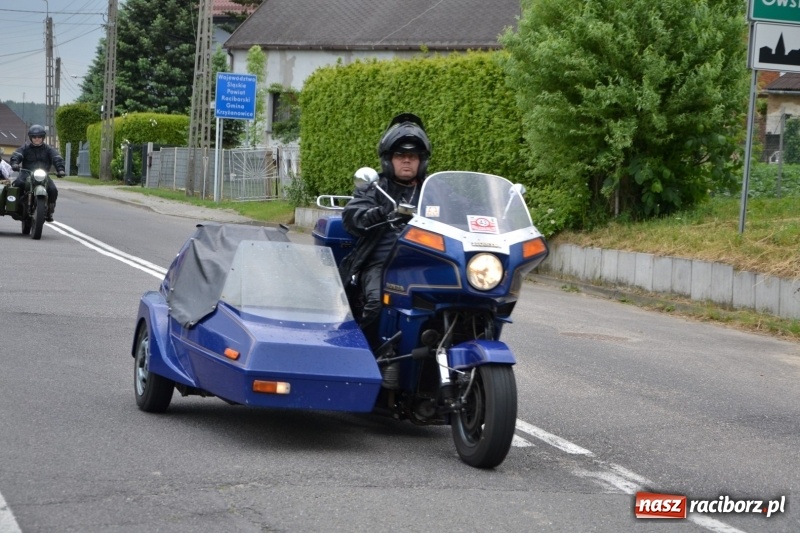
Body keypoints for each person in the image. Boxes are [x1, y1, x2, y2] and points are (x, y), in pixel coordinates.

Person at [340, 113, 432, 348]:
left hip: (429, 260)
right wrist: (375, 213)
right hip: (382, 262)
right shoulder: (375, 187)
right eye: (400, 155)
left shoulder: (432, 191)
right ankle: (364, 355)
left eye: (412, 156)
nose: (407, 161)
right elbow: (352, 215)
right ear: (388, 159)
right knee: (375, 303)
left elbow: (459, 212)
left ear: (422, 161)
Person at [10, 124, 65, 222]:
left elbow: (57, 158)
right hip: (26, 173)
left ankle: (50, 210)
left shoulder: (48, 149)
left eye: (39, 137)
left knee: (53, 189)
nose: (37, 139)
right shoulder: (25, 148)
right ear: (31, 138)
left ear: (43, 138)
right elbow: (17, 155)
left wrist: (60, 169)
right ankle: (17, 207)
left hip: (43, 175)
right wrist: (15, 163)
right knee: (18, 184)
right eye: (34, 137)